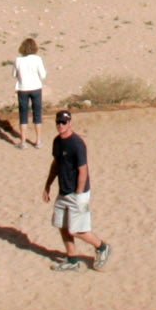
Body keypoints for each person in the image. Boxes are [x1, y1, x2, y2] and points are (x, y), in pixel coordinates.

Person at [42, 109, 110, 272]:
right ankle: (72, 259)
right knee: (62, 225)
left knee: (77, 230)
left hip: (77, 193)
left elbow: (83, 170)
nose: (60, 125)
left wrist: (79, 194)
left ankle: (101, 247)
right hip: (63, 191)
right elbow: (56, 164)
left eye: (63, 122)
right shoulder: (57, 142)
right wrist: (48, 185)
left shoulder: (77, 144)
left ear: (70, 123)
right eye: (58, 122)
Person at [12, 37, 47, 148]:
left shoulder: (18, 60)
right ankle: (38, 140)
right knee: (37, 114)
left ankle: (23, 141)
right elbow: (43, 75)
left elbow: (13, 75)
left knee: (23, 115)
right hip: (36, 88)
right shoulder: (37, 59)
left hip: (23, 89)